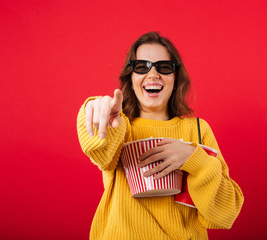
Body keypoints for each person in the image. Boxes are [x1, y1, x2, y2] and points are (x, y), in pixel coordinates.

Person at [77, 31, 244, 240]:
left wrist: (195, 159)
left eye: (164, 67)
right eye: (141, 66)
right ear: (131, 76)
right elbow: (97, 148)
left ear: (176, 77)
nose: (153, 74)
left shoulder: (198, 130)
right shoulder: (119, 125)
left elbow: (224, 214)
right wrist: (93, 110)